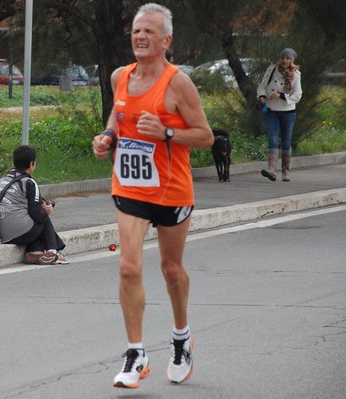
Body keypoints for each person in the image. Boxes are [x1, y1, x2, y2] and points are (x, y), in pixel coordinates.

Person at [91, 3, 214, 389]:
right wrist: (108, 136)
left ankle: (181, 339)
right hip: (129, 187)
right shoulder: (119, 77)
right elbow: (118, 114)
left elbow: (206, 136)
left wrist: (167, 133)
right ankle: (136, 354)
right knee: (128, 266)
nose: (140, 36)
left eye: (148, 32)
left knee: (171, 270)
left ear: (166, 40)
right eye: (135, 31)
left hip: (171, 189)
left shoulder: (178, 83)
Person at [0, 145, 69, 265]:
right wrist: (46, 211)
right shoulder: (29, 182)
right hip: (18, 232)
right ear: (32, 164)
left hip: (0, 233)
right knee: (42, 218)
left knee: (32, 227)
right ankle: (53, 251)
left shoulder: (1, 181)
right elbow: (37, 216)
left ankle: (35, 251)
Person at [257, 48, 303, 182]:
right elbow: (261, 86)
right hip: (271, 111)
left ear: (291, 61)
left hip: (288, 113)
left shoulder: (296, 75)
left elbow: (297, 96)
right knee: (272, 140)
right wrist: (261, 96)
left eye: (288, 59)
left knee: (286, 142)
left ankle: (285, 171)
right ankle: (271, 170)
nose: (285, 61)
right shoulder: (271, 70)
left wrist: (281, 95)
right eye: (283, 58)